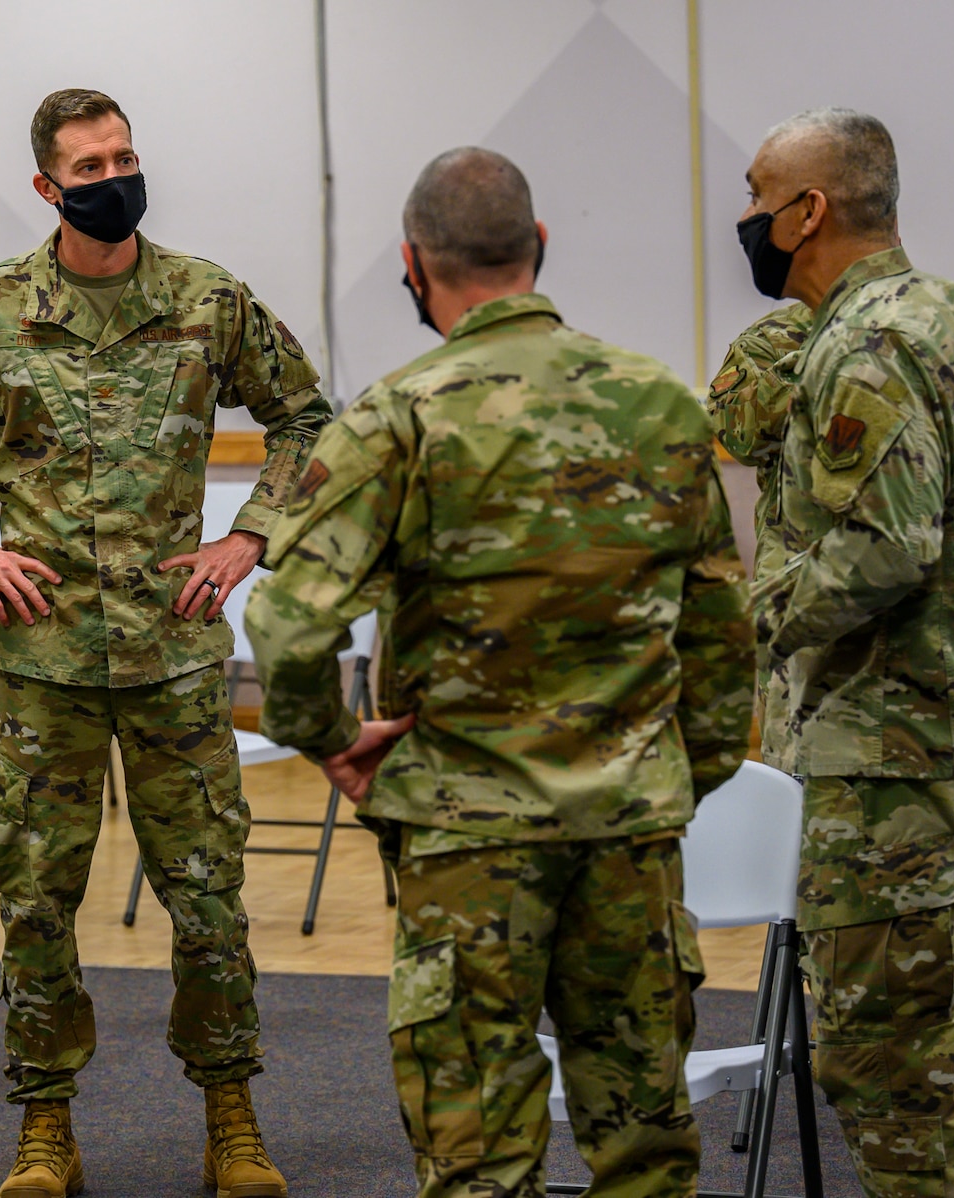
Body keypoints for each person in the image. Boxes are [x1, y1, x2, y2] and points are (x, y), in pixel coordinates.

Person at [247, 146, 754, 1198]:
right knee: (646, 1144)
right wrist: (673, 777)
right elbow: (719, 631)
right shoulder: (658, 404)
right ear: (536, 247)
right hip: (628, 833)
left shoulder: (397, 414)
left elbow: (289, 624)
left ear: (412, 262)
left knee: (477, 1149)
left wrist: (334, 746)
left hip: (466, 837)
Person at [0, 87, 331, 1198]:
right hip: (44, 662)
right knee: (35, 900)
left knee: (207, 896)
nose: (112, 176)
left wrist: (251, 534)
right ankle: (43, 1128)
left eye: (123, 155)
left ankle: (232, 1116)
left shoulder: (206, 301)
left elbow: (306, 415)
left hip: (174, 654)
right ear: (47, 188)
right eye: (88, 165)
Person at [737, 108, 954, 1198]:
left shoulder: (864, 339)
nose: (743, 216)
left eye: (754, 194)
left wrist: (742, 614)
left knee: (883, 1052)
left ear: (807, 211)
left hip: (892, 753)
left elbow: (882, 550)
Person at [706, 302, 810, 764]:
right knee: (797, 790)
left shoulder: (941, 323)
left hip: (934, 598)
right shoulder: (778, 337)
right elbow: (736, 434)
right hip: (804, 595)